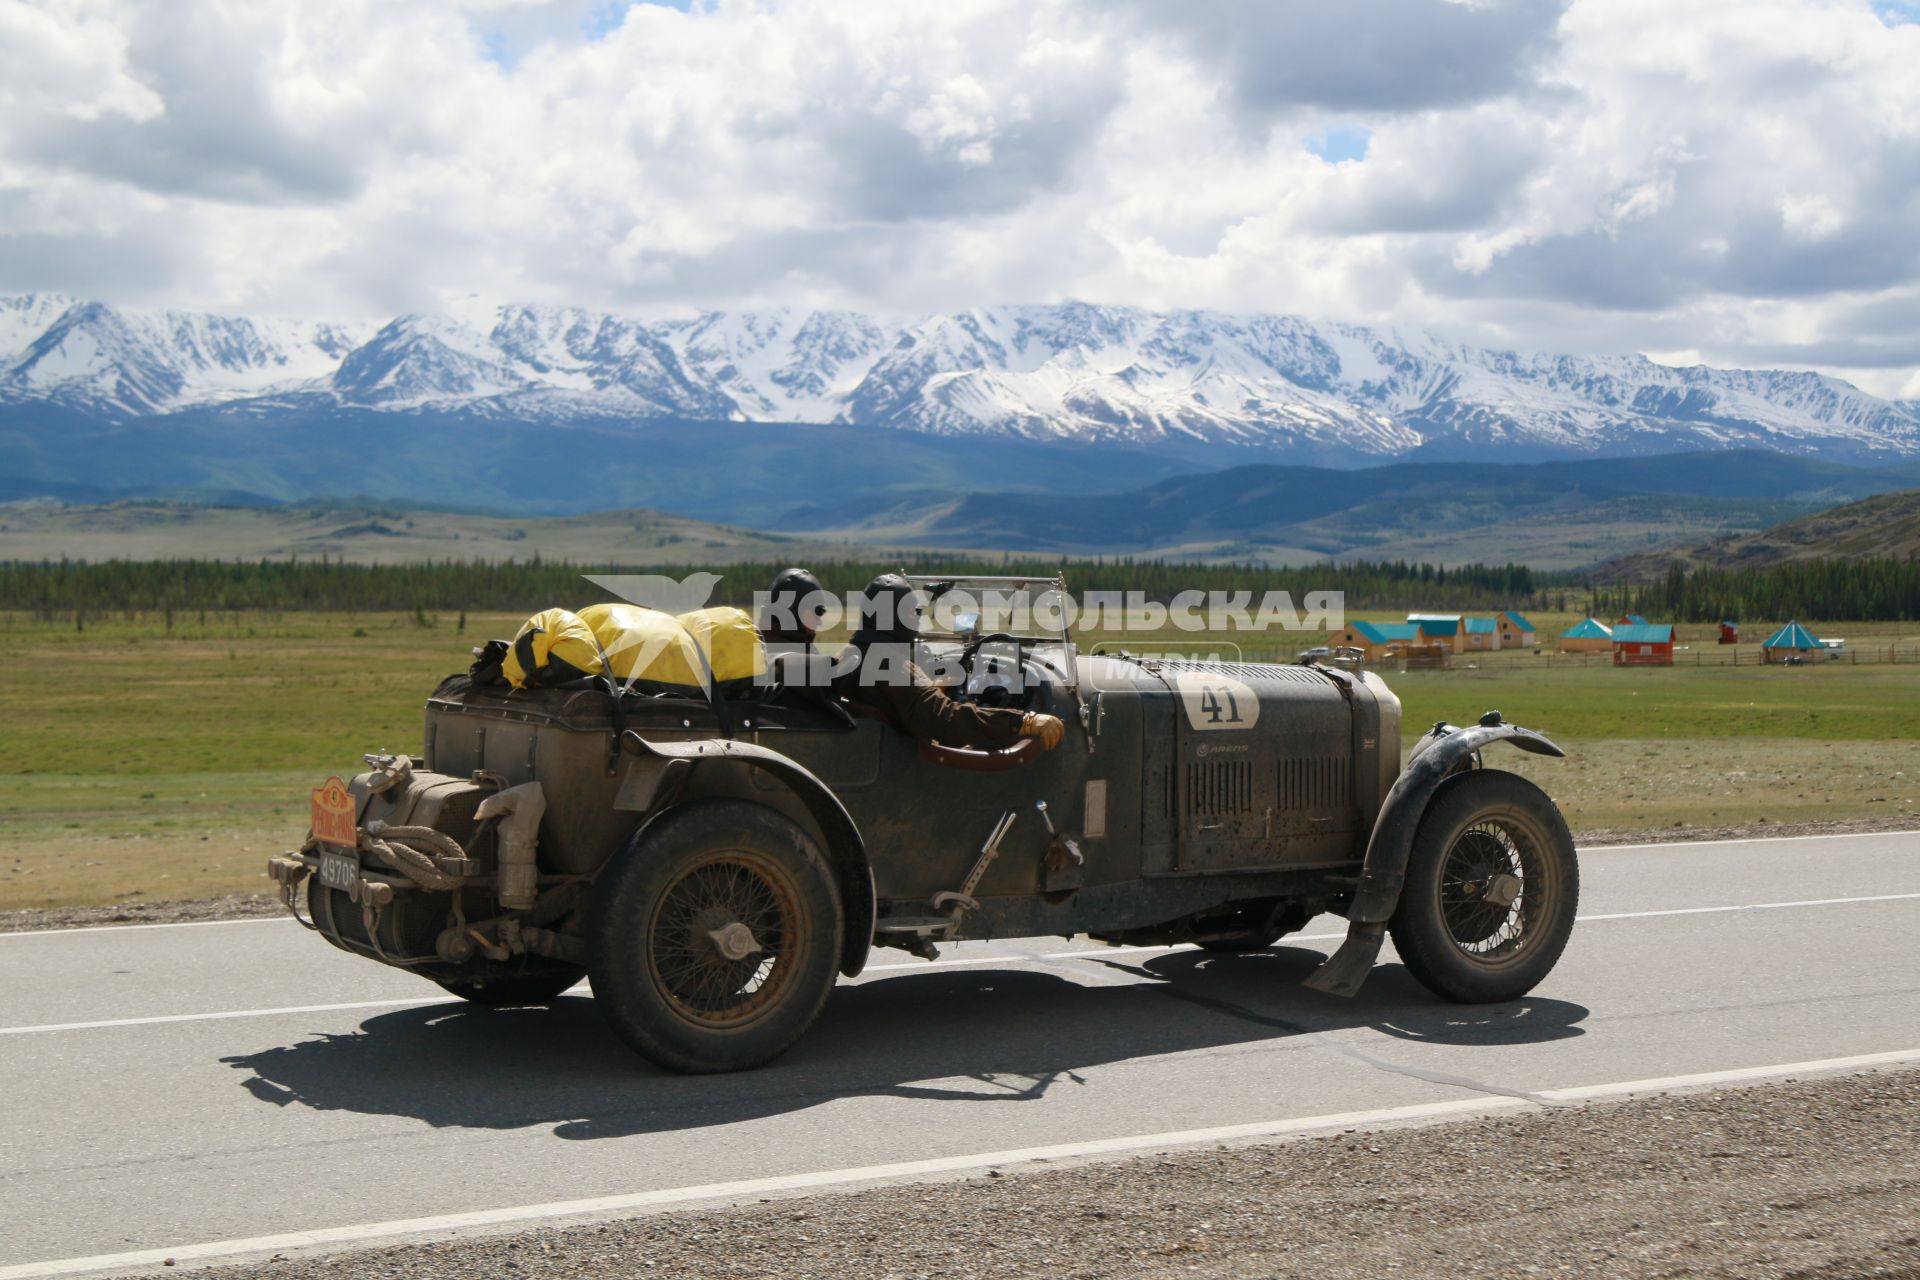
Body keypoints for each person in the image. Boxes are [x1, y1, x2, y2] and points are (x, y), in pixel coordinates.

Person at [835, 573, 1065, 751]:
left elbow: (905, 703)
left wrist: (934, 689)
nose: (918, 618)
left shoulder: (847, 655)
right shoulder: (891, 665)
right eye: (914, 611)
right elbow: (946, 718)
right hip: (911, 771)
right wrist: (1023, 721)